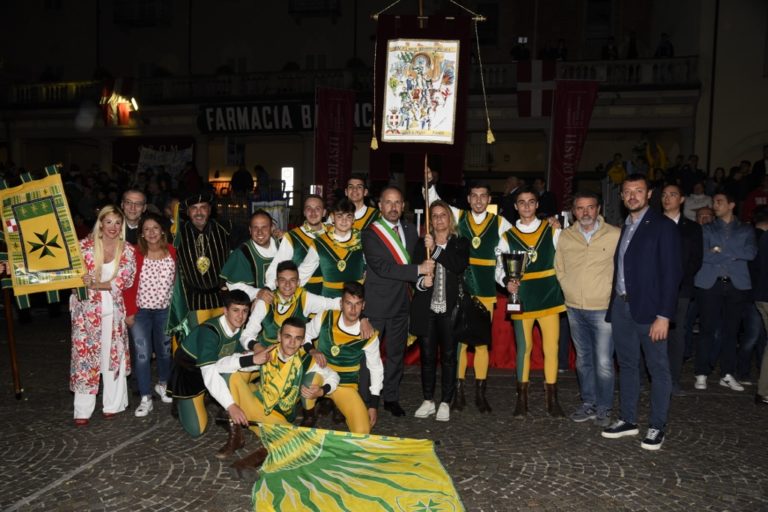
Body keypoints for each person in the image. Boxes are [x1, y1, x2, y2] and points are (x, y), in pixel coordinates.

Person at [601, 174, 681, 451]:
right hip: (622, 307)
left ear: (649, 195)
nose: (632, 195)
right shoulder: (625, 227)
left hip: (651, 311)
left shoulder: (663, 226)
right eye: (627, 191)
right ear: (622, 197)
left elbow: (672, 275)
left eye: (638, 190)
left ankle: (657, 426)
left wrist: (664, 315)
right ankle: (628, 419)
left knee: (658, 368)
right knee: (628, 365)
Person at [427, 179, 512, 412]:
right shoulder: (458, 216)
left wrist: (553, 226)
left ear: (489, 199)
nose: (478, 200)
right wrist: (432, 181)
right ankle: (459, 393)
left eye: (483, 196)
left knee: (482, 344)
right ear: (468, 199)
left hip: (485, 292)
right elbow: (435, 201)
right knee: (461, 344)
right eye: (474, 196)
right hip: (460, 291)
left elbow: (520, 240)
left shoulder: (501, 223)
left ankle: (480, 394)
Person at [226, 317, 340, 475]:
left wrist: (322, 391)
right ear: (279, 336)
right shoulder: (266, 352)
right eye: (287, 336)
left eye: (297, 338)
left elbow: (334, 376)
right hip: (252, 406)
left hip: (275, 417)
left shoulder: (306, 359)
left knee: (296, 440)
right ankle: (235, 431)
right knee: (234, 376)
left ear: (302, 341)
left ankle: (245, 463)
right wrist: (248, 358)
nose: (292, 343)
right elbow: (227, 367)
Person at [361, 186, 434, 417]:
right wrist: (418, 270)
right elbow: (382, 268)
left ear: (403, 206)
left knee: (395, 355)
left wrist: (428, 244)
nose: (393, 207)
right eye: (388, 202)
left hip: (402, 304)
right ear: (380, 206)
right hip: (377, 305)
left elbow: (417, 258)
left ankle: (391, 397)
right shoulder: (370, 232)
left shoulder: (411, 230)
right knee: (369, 356)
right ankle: (365, 399)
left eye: (397, 203)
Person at [497, 187, 566, 418]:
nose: (526, 206)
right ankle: (522, 400)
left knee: (551, 349)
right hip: (523, 299)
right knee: (524, 350)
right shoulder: (507, 236)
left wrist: (560, 226)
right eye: (522, 202)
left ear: (537, 205)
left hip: (549, 298)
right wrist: (506, 282)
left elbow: (566, 254)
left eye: (531, 202)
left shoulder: (553, 230)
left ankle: (552, 400)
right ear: (516, 207)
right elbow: (500, 267)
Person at [168, 290, 260, 460]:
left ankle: (234, 431)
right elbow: (209, 374)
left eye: (244, 311)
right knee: (196, 430)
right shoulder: (209, 332)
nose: (240, 316)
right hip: (190, 373)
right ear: (225, 311)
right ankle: (182, 401)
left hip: (216, 366)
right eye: (235, 310)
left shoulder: (238, 326)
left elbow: (233, 357)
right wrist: (231, 406)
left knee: (234, 376)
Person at [554, 191, 620, 427]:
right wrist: (567, 287)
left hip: (602, 308)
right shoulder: (566, 236)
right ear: (574, 211)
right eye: (580, 208)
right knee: (583, 360)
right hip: (573, 308)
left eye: (590, 207)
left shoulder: (614, 235)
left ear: (598, 209)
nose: (585, 212)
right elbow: (559, 266)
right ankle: (588, 403)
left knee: (603, 361)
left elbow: (622, 269)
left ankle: (604, 407)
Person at [70, 205, 137, 426]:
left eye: (118, 223)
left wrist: (95, 283)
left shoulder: (127, 250)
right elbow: (72, 277)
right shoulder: (83, 247)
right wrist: (78, 283)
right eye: (108, 222)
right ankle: (82, 409)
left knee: (113, 357)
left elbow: (124, 280)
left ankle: (113, 404)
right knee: (85, 359)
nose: (113, 227)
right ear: (100, 223)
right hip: (86, 314)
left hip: (114, 314)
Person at [409, 200, 469, 422]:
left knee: (449, 356)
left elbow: (458, 265)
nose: (439, 219)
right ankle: (428, 400)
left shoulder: (460, 242)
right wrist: (422, 282)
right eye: (434, 216)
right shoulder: (421, 243)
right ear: (430, 220)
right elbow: (414, 274)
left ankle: (445, 401)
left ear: (449, 218)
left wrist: (435, 250)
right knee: (426, 356)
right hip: (427, 309)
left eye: (443, 215)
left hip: (450, 309)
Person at [693, 191, 757, 392]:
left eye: (719, 201)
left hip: (736, 284)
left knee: (731, 331)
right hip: (710, 283)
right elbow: (703, 255)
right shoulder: (707, 229)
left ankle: (727, 373)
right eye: (714, 201)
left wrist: (720, 251)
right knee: (707, 330)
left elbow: (751, 253)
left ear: (731, 205)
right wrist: (730, 255)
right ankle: (701, 372)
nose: (715, 205)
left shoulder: (746, 229)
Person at [304, 282, 383, 432]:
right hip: (321, 376)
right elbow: (305, 335)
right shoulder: (325, 317)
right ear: (341, 303)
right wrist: (312, 351)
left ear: (363, 305)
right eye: (348, 303)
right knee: (309, 381)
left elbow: (376, 369)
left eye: (357, 304)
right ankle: (309, 414)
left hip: (346, 385)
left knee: (362, 431)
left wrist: (373, 405)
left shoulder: (368, 335)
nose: (353, 309)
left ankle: (336, 403)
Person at [124, 213, 177, 417]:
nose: (152, 232)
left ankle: (163, 383)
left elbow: (176, 284)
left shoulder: (172, 252)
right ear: (142, 234)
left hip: (164, 311)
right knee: (143, 354)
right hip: (141, 313)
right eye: (147, 229)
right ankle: (146, 397)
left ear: (162, 230)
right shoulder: (135, 253)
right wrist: (129, 312)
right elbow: (127, 285)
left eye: (155, 228)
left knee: (164, 352)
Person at [168, 193, 233, 338]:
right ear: (188, 212)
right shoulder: (177, 233)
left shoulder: (226, 228)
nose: (198, 212)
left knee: (222, 340)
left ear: (210, 210)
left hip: (222, 300)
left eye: (203, 207)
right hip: (195, 302)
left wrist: (274, 230)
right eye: (194, 208)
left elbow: (254, 236)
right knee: (200, 342)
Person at [661, 184, 703, 395]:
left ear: (683, 199)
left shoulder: (693, 228)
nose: (667, 198)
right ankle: (646, 377)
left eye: (673, 194)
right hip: (654, 289)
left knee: (676, 335)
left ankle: (673, 379)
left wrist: (676, 280)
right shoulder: (652, 223)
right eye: (665, 195)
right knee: (649, 333)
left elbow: (696, 260)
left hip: (681, 289)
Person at [298, 198, 365, 297]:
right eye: (339, 216)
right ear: (333, 218)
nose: (344, 220)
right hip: (328, 302)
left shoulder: (363, 240)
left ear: (353, 219)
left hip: (355, 301)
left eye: (348, 216)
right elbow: (303, 272)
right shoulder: (320, 243)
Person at [265, 194, 326, 294]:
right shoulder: (293, 237)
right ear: (304, 212)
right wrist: (268, 288)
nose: (313, 212)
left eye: (317, 209)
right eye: (309, 208)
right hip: (302, 293)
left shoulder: (332, 233)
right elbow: (277, 266)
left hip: (328, 293)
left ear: (324, 212)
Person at [220, 210, 277, 291]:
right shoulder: (242, 253)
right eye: (255, 227)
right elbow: (234, 285)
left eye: (264, 227)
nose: (259, 232)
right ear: (250, 230)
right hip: (255, 301)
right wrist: (258, 293)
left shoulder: (283, 245)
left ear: (272, 228)